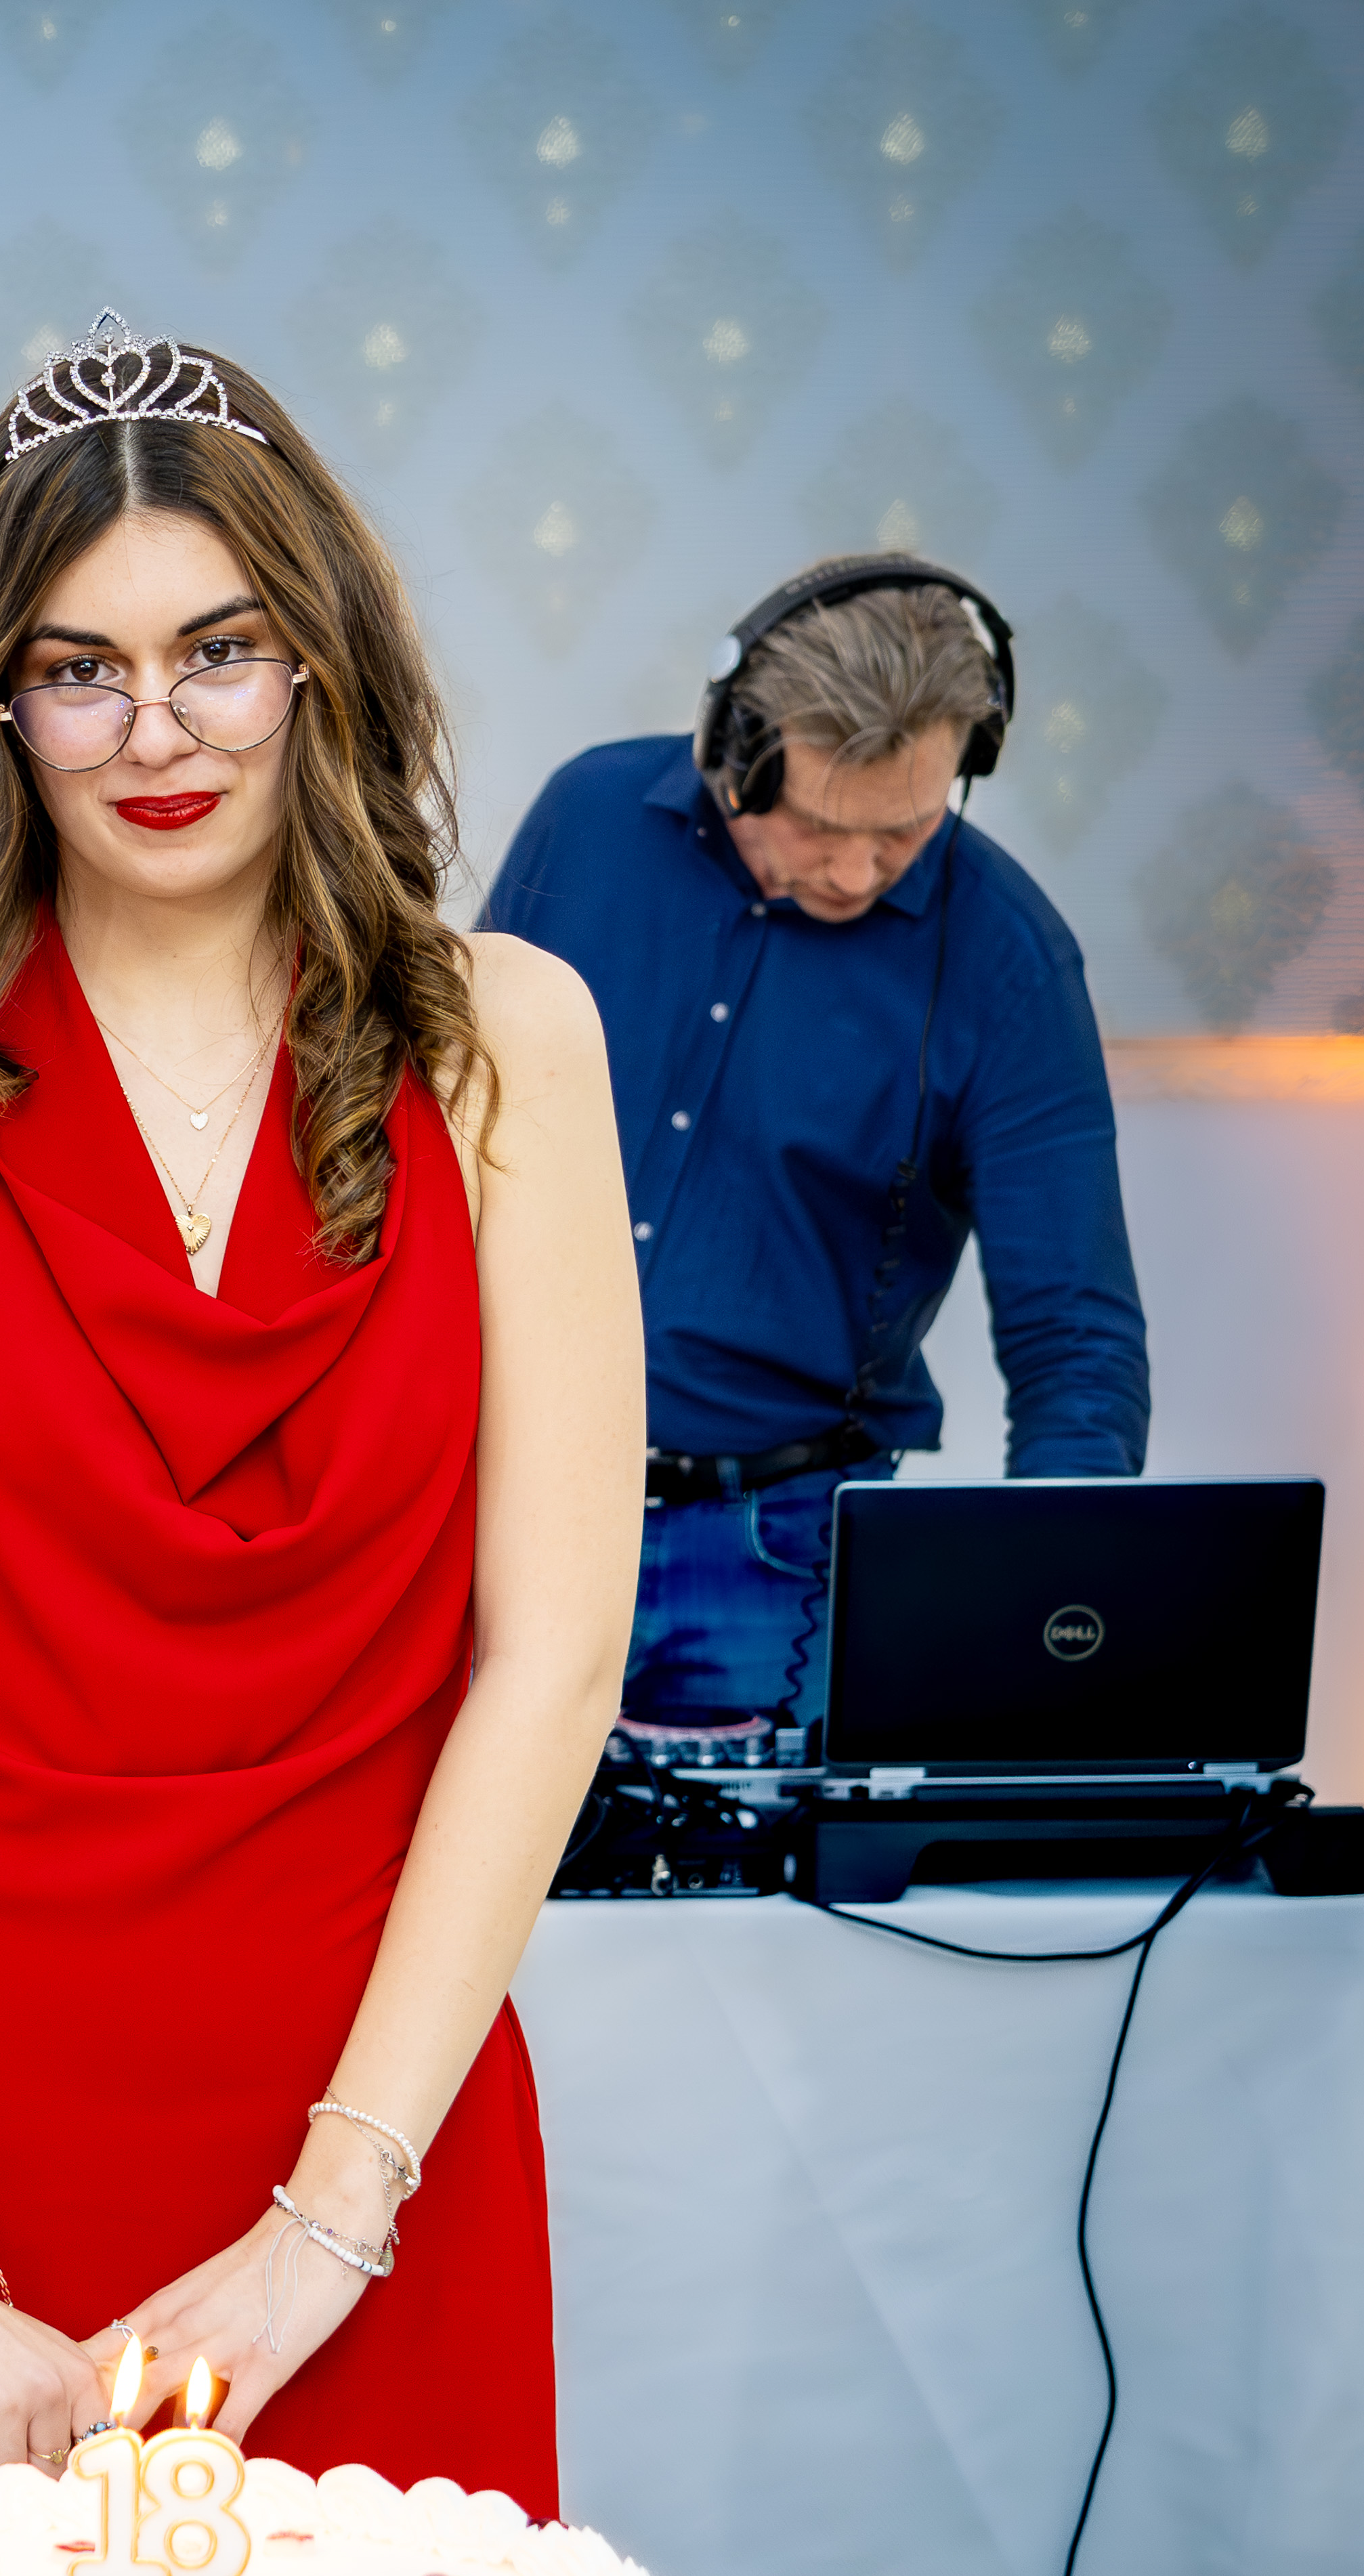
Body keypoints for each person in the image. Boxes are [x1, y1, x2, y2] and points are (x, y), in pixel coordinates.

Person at [0, 318, 638, 2541]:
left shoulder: (511, 1041)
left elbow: (554, 1664)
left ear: (317, 658)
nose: (155, 733)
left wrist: (332, 2221)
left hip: (378, 2135)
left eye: (217, 651)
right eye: (78, 670)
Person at [484, 557, 1150, 1734]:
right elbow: (444, 1126)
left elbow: (1075, 1342)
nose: (855, 872)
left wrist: (1054, 1629)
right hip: (493, 1511)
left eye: (905, 832)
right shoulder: (587, 819)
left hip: (778, 1561)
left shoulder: (1009, 959)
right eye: (821, 826)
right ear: (738, 748)